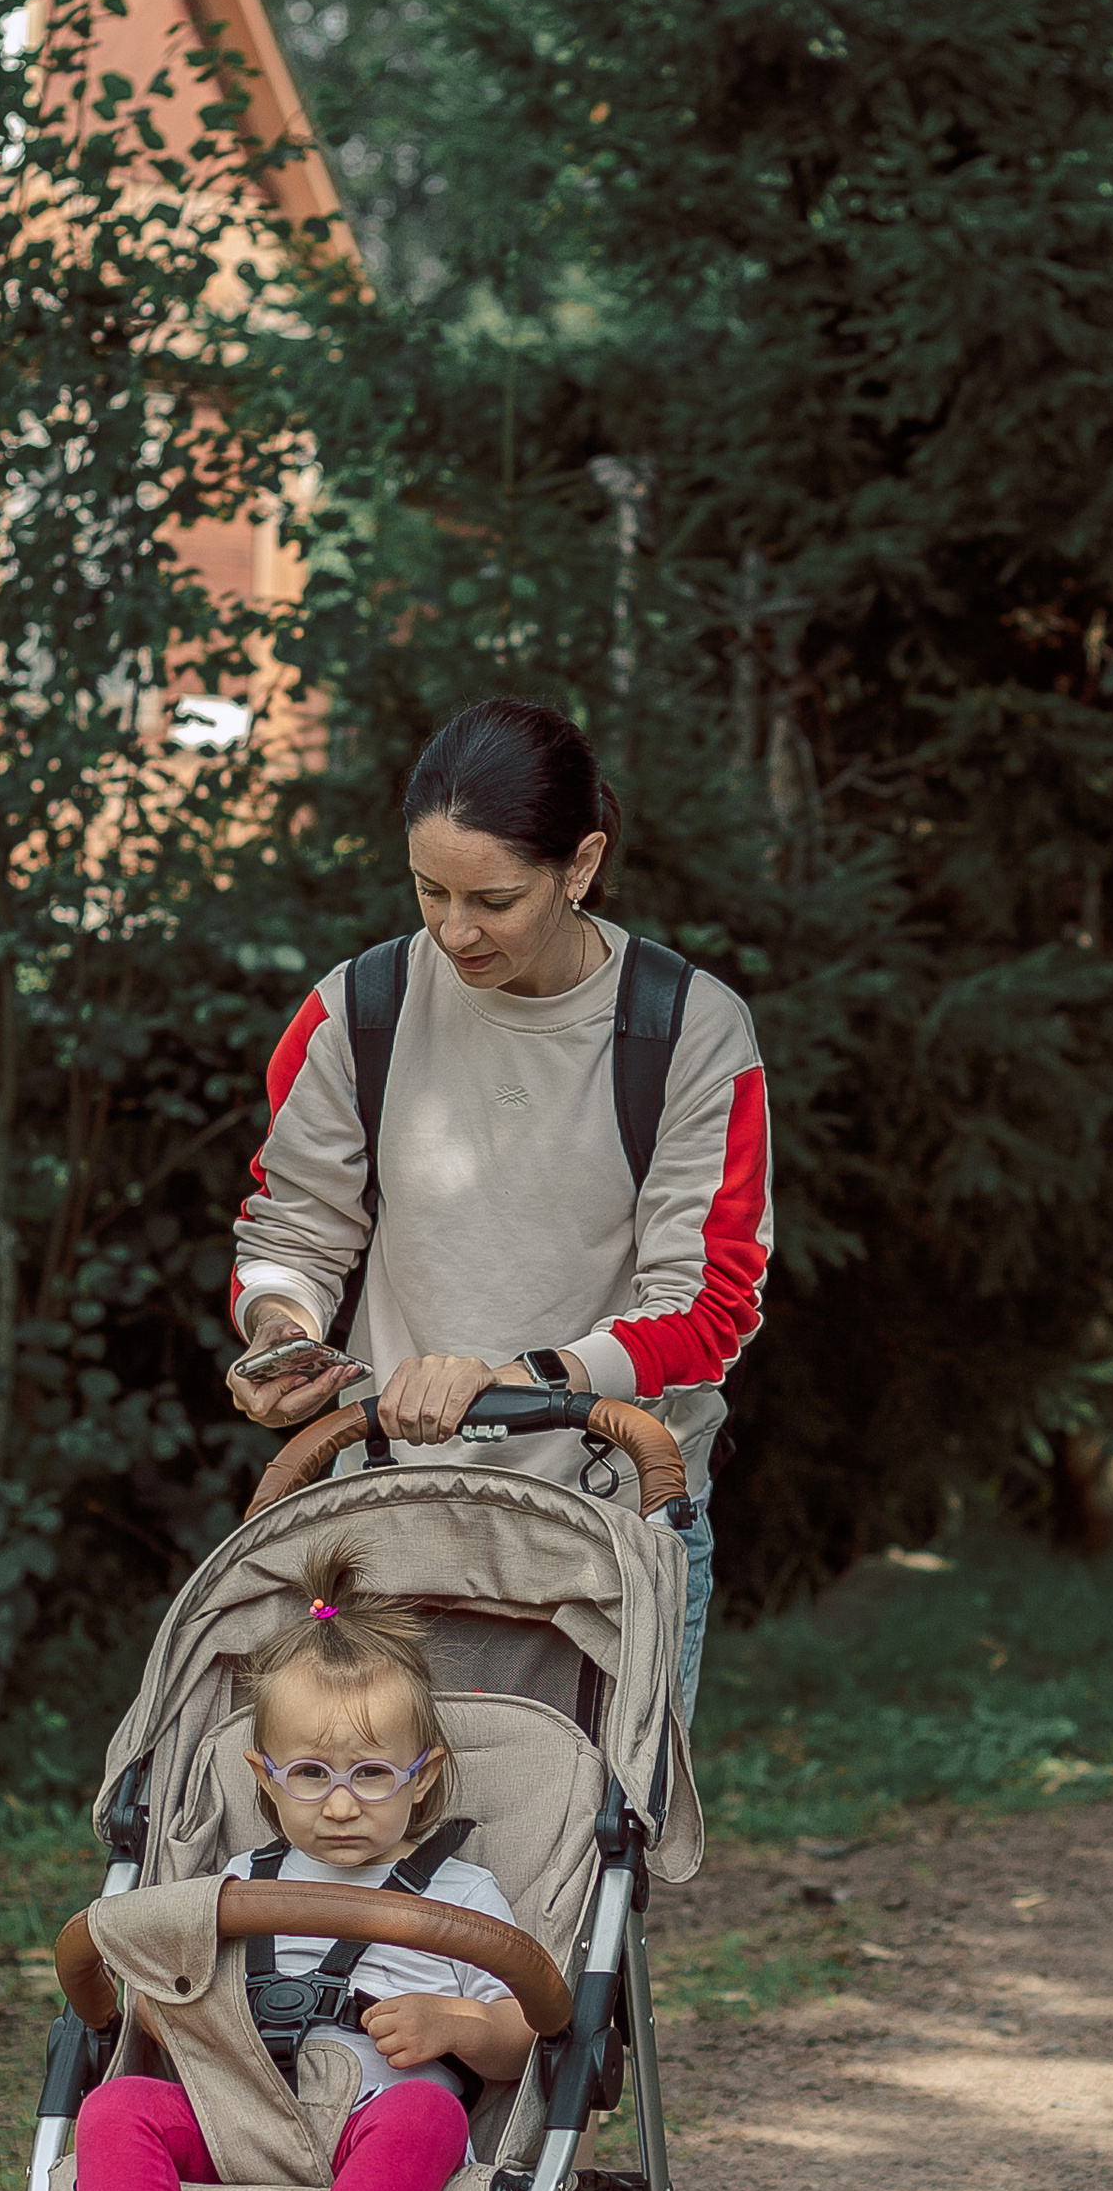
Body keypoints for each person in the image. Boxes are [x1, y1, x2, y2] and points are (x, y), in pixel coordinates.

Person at [227, 696, 770, 1719]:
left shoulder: (685, 1030)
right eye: (428, 890)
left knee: (582, 1851)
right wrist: (279, 1334)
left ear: (580, 865)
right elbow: (292, 1231)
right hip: (389, 1514)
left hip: (613, 1519)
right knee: (365, 1846)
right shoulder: (359, 1009)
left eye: (494, 898)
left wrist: (518, 1380)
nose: (454, 929)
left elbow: (707, 1308)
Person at [14, 1547, 531, 2191]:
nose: (340, 1804)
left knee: (429, 2113)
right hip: (232, 2121)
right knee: (117, 2105)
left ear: (423, 1776)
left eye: (372, 1775)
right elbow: (152, 2008)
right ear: (264, 1777)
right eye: (311, 1776)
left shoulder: (459, 1891)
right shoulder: (232, 1887)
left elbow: (524, 2034)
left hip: (365, 2130)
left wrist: (455, 2027)